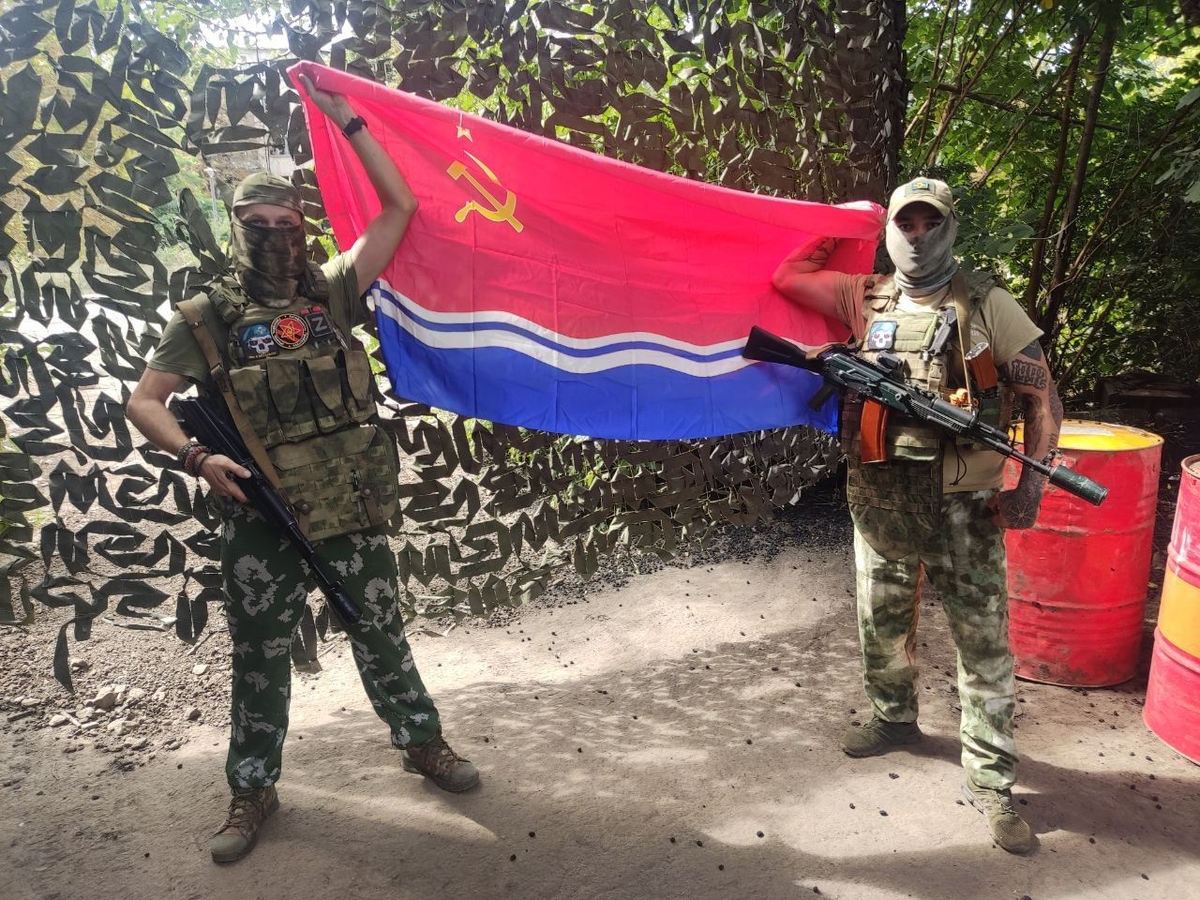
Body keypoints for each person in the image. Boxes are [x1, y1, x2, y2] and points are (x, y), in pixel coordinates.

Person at [126, 73, 479, 864]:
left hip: (345, 506)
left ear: (302, 228)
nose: (274, 236)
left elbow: (399, 209)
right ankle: (253, 789)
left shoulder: (333, 292)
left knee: (381, 635)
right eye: (257, 225)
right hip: (260, 516)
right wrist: (197, 456)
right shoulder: (207, 318)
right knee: (259, 658)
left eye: (286, 224)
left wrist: (347, 119)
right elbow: (145, 401)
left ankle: (422, 743)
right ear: (236, 228)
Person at [773, 177, 1063, 853]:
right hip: (878, 495)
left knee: (983, 643)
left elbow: (1042, 399)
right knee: (880, 621)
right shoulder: (864, 294)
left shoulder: (987, 303)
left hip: (965, 506)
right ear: (891, 230)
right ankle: (894, 719)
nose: (918, 234)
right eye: (906, 222)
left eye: (931, 222)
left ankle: (991, 779)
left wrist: (1029, 490)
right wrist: (841, 222)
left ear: (951, 227)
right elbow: (787, 276)